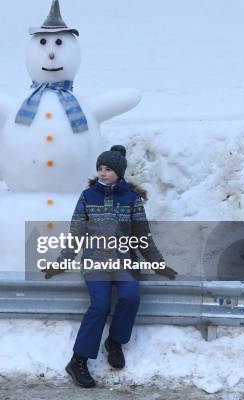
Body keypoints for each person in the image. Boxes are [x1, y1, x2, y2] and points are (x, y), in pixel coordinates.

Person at [44, 145, 178, 388]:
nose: (103, 173)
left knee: (130, 297)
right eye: (100, 168)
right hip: (96, 262)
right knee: (100, 305)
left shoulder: (131, 199)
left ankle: (114, 342)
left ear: (119, 172)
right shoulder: (88, 197)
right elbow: (76, 233)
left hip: (124, 261)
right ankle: (78, 361)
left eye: (108, 169)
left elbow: (142, 236)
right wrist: (61, 262)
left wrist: (159, 264)